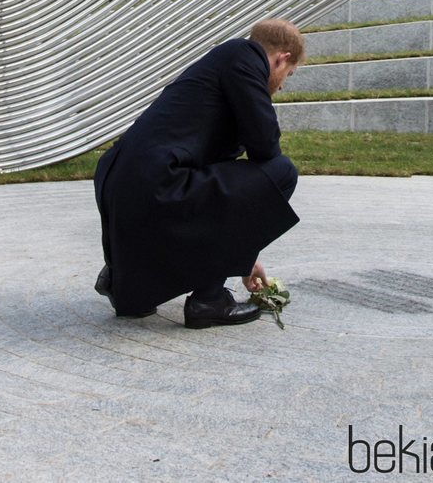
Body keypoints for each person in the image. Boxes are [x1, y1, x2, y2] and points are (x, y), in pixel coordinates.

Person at [93, 18, 304, 329]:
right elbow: (266, 147)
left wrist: (244, 255)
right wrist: (241, 248)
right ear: (281, 57)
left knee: (216, 179)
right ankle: (209, 300)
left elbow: (220, 198)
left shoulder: (221, 62)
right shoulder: (245, 58)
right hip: (157, 186)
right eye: (288, 74)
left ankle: (126, 282)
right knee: (281, 172)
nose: (283, 83)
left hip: (123, 185)